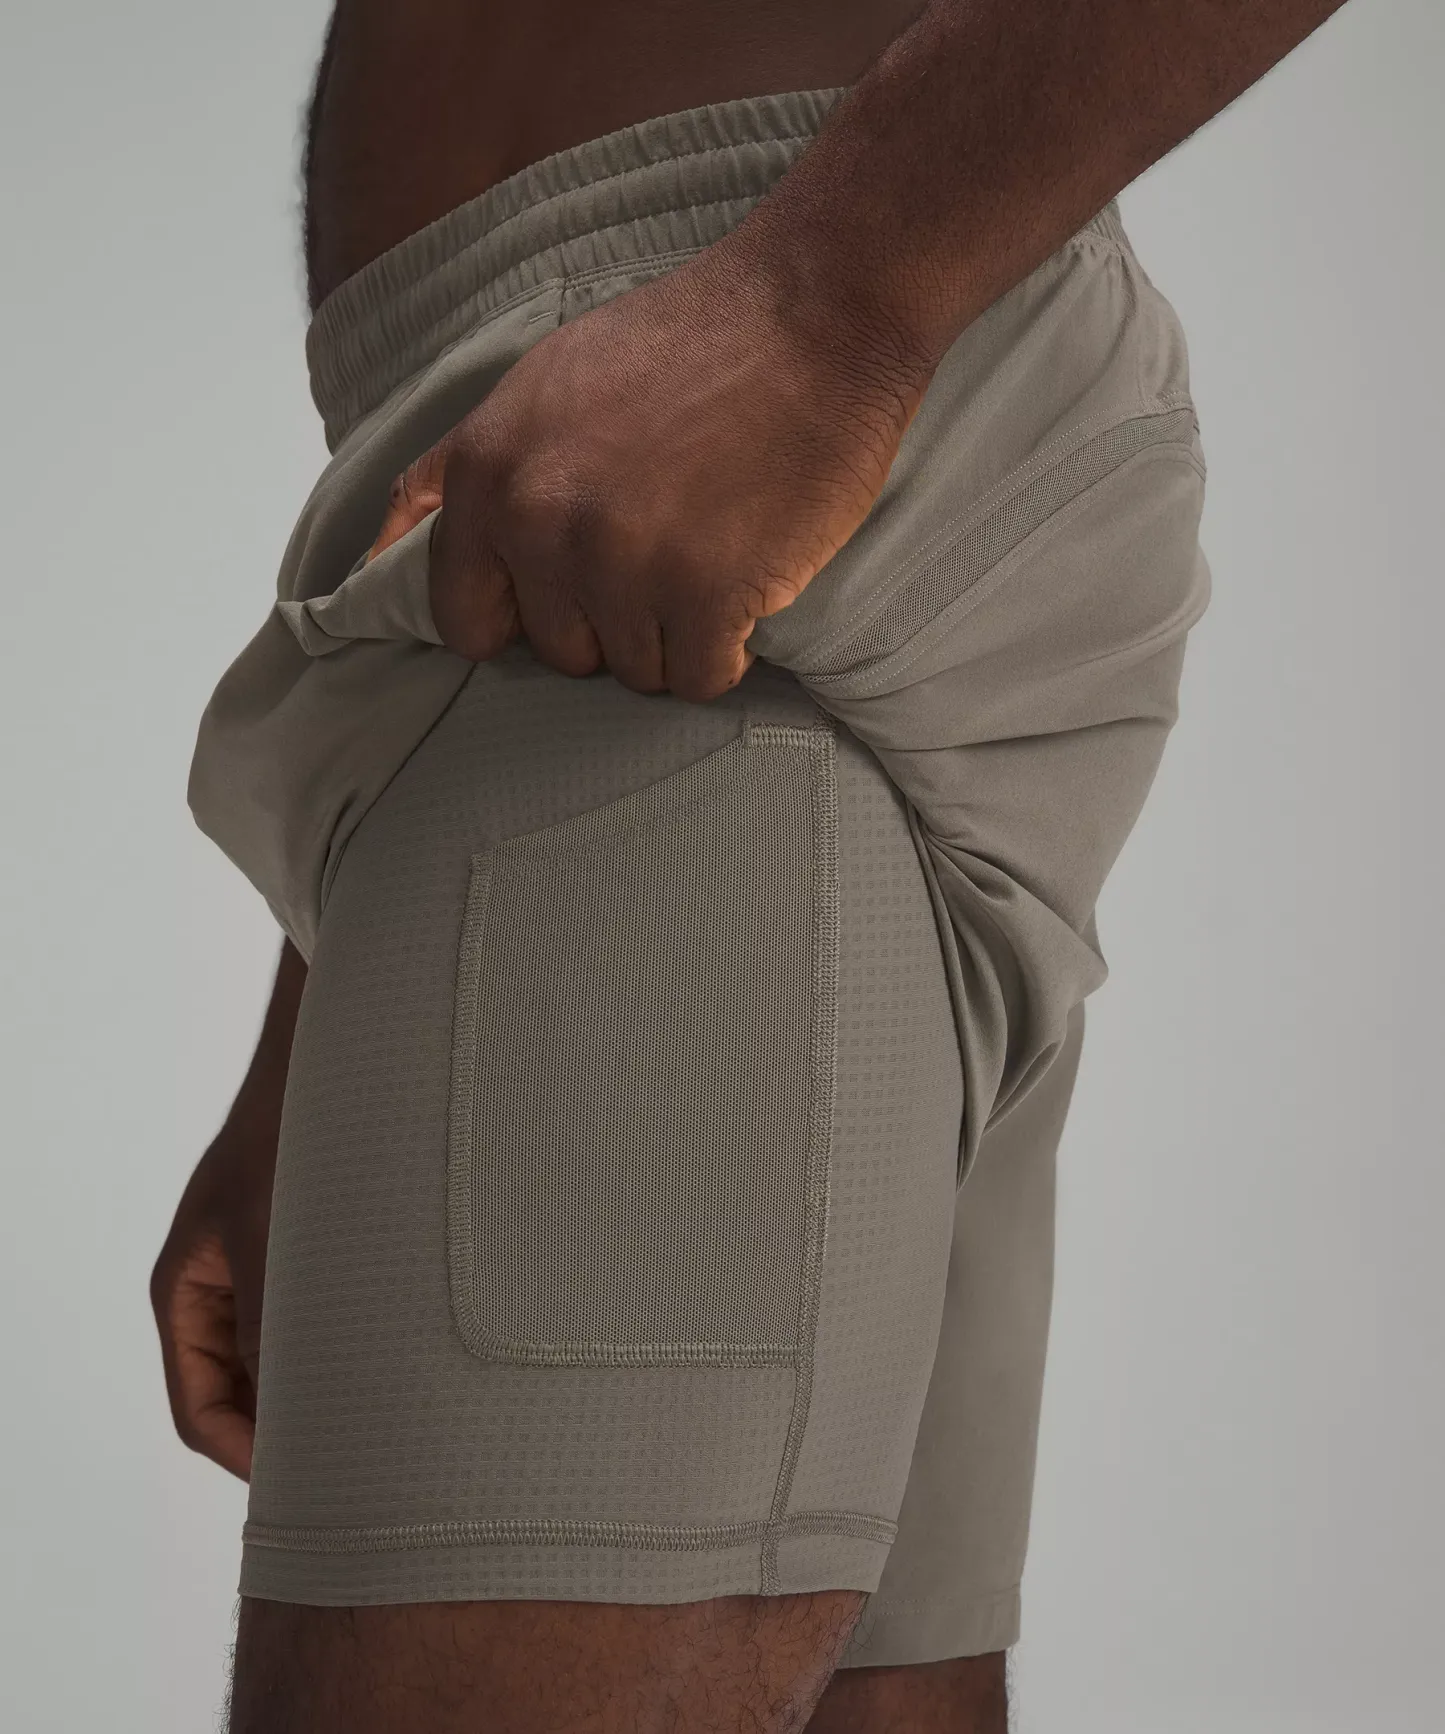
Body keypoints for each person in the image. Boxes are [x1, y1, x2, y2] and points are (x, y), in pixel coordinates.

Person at [150, 3, 1352, 1729]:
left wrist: (824, 299)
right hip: (630, 517)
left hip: (756, 444)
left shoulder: (810, 311)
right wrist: (331, 973)